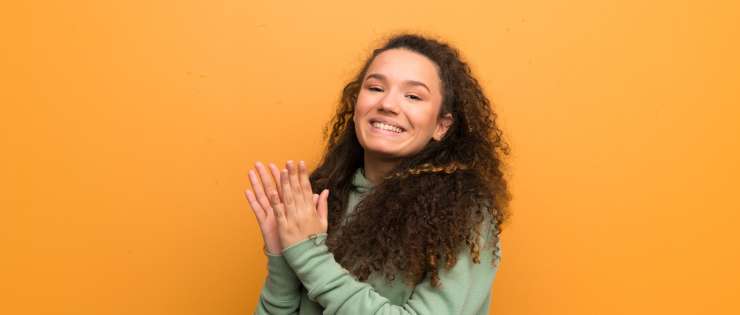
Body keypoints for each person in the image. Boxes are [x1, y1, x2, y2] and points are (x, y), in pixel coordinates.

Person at [244, 33, 512, 315]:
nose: (387, 104)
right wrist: (282, 258)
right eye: (375, 88)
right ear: (356, 104)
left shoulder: (462, 212)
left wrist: (308, 254)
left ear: (441, 126)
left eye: (412, 96)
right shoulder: (323, 195)